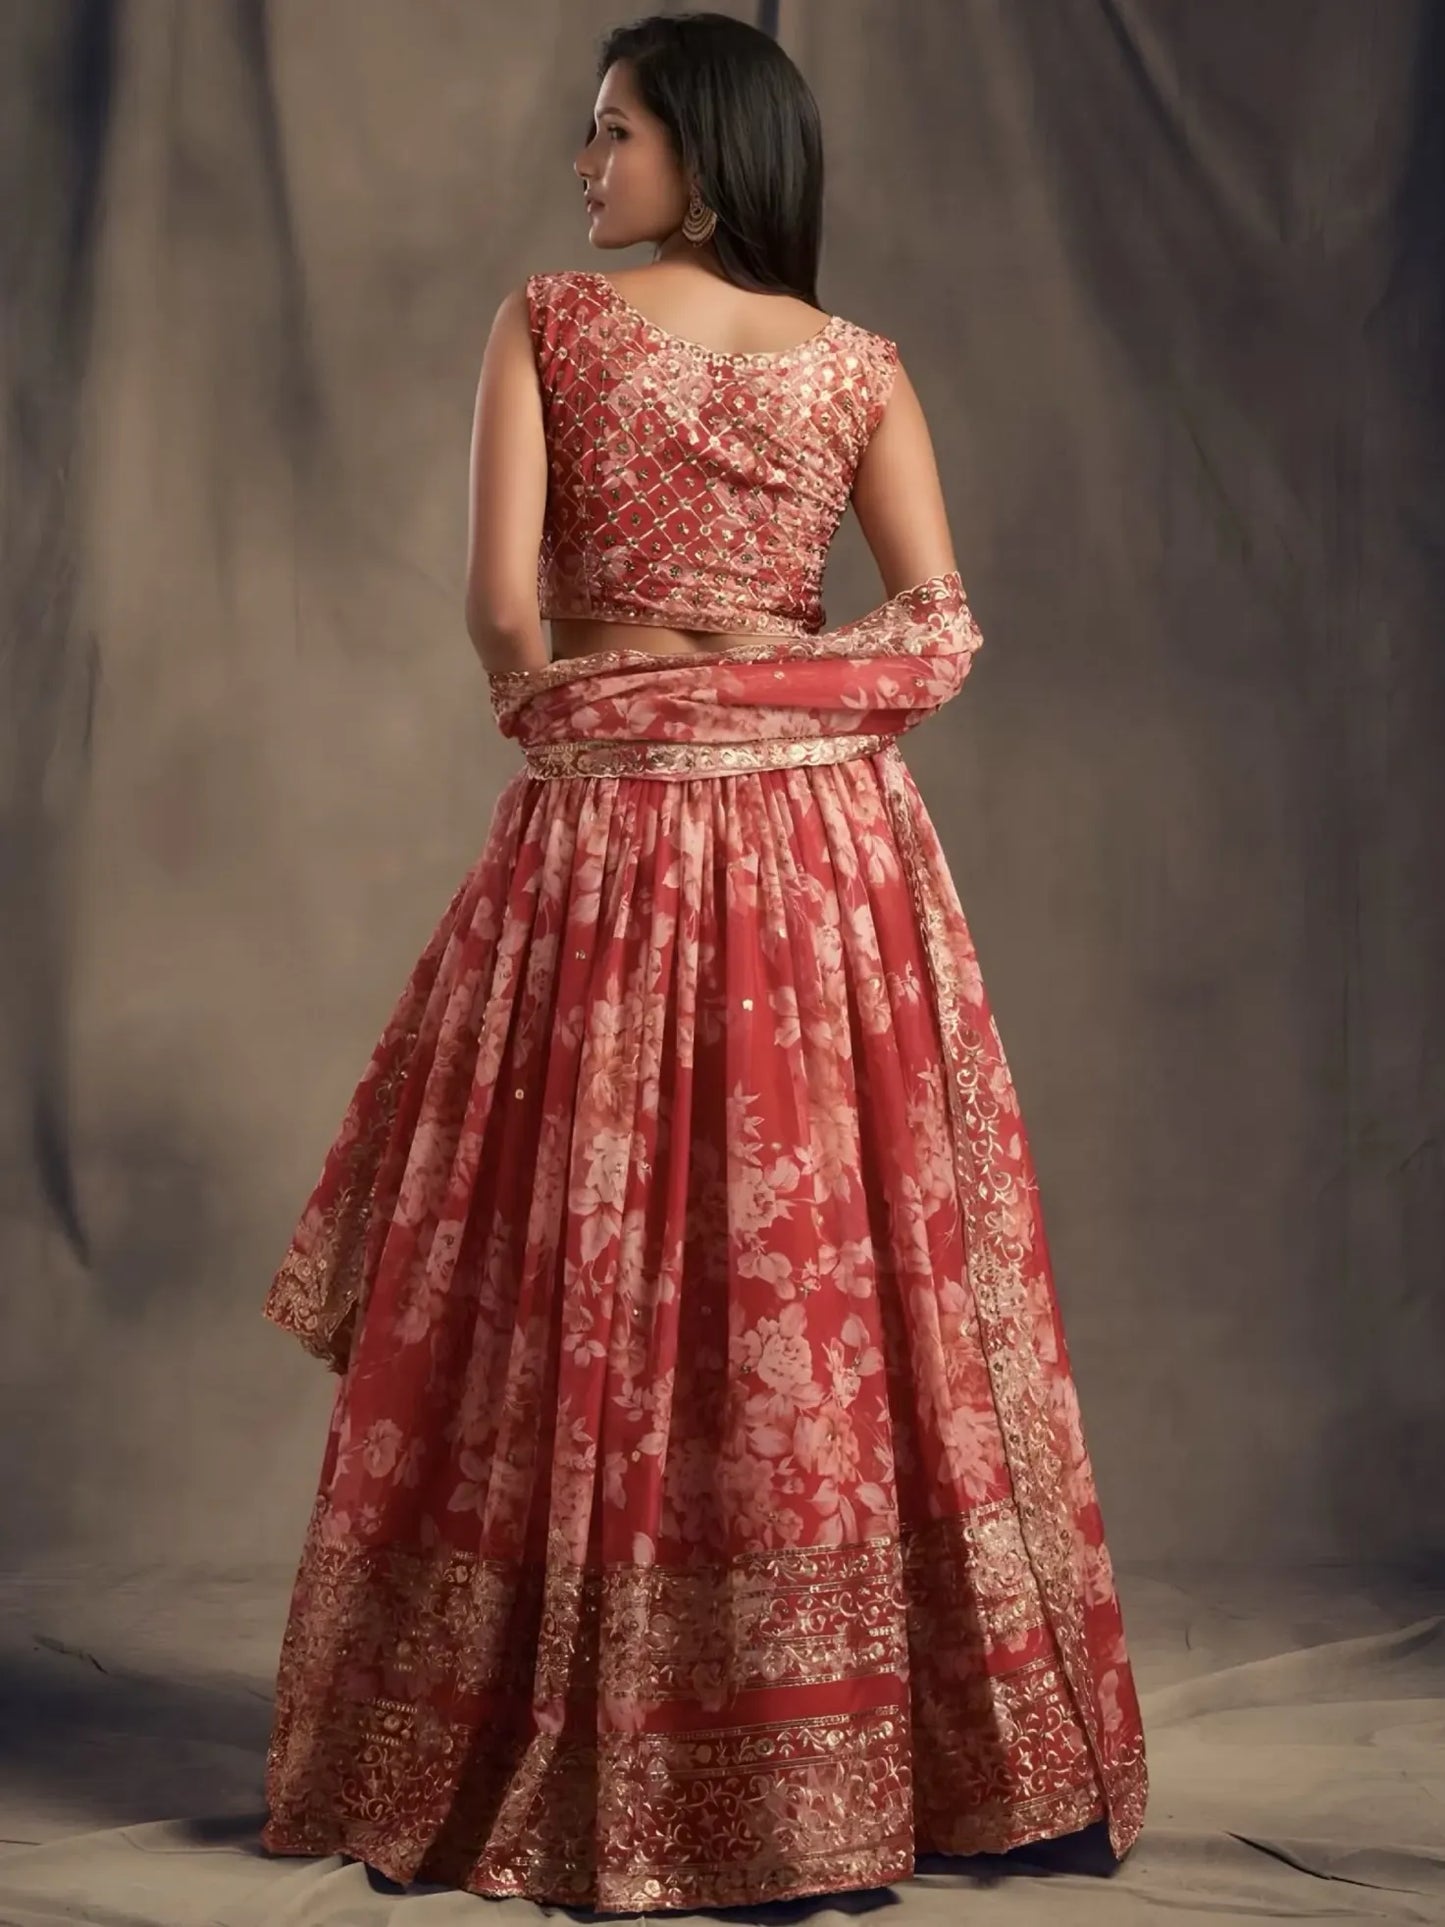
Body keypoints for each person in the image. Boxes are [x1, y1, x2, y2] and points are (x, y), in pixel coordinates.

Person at [256, 11, 1148, 1912]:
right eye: (589, 141)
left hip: (615, 849)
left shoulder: (546, 329)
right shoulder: (859, 370)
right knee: (827, 1281)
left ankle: (630, 1761)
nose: (585, 170)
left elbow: (508, 618)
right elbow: (932, 641)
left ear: (711, 156)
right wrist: (767, 692)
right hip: (832, 863)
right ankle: (888, 1781)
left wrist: (639, 698)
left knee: (593, 1270)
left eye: (616, 137)